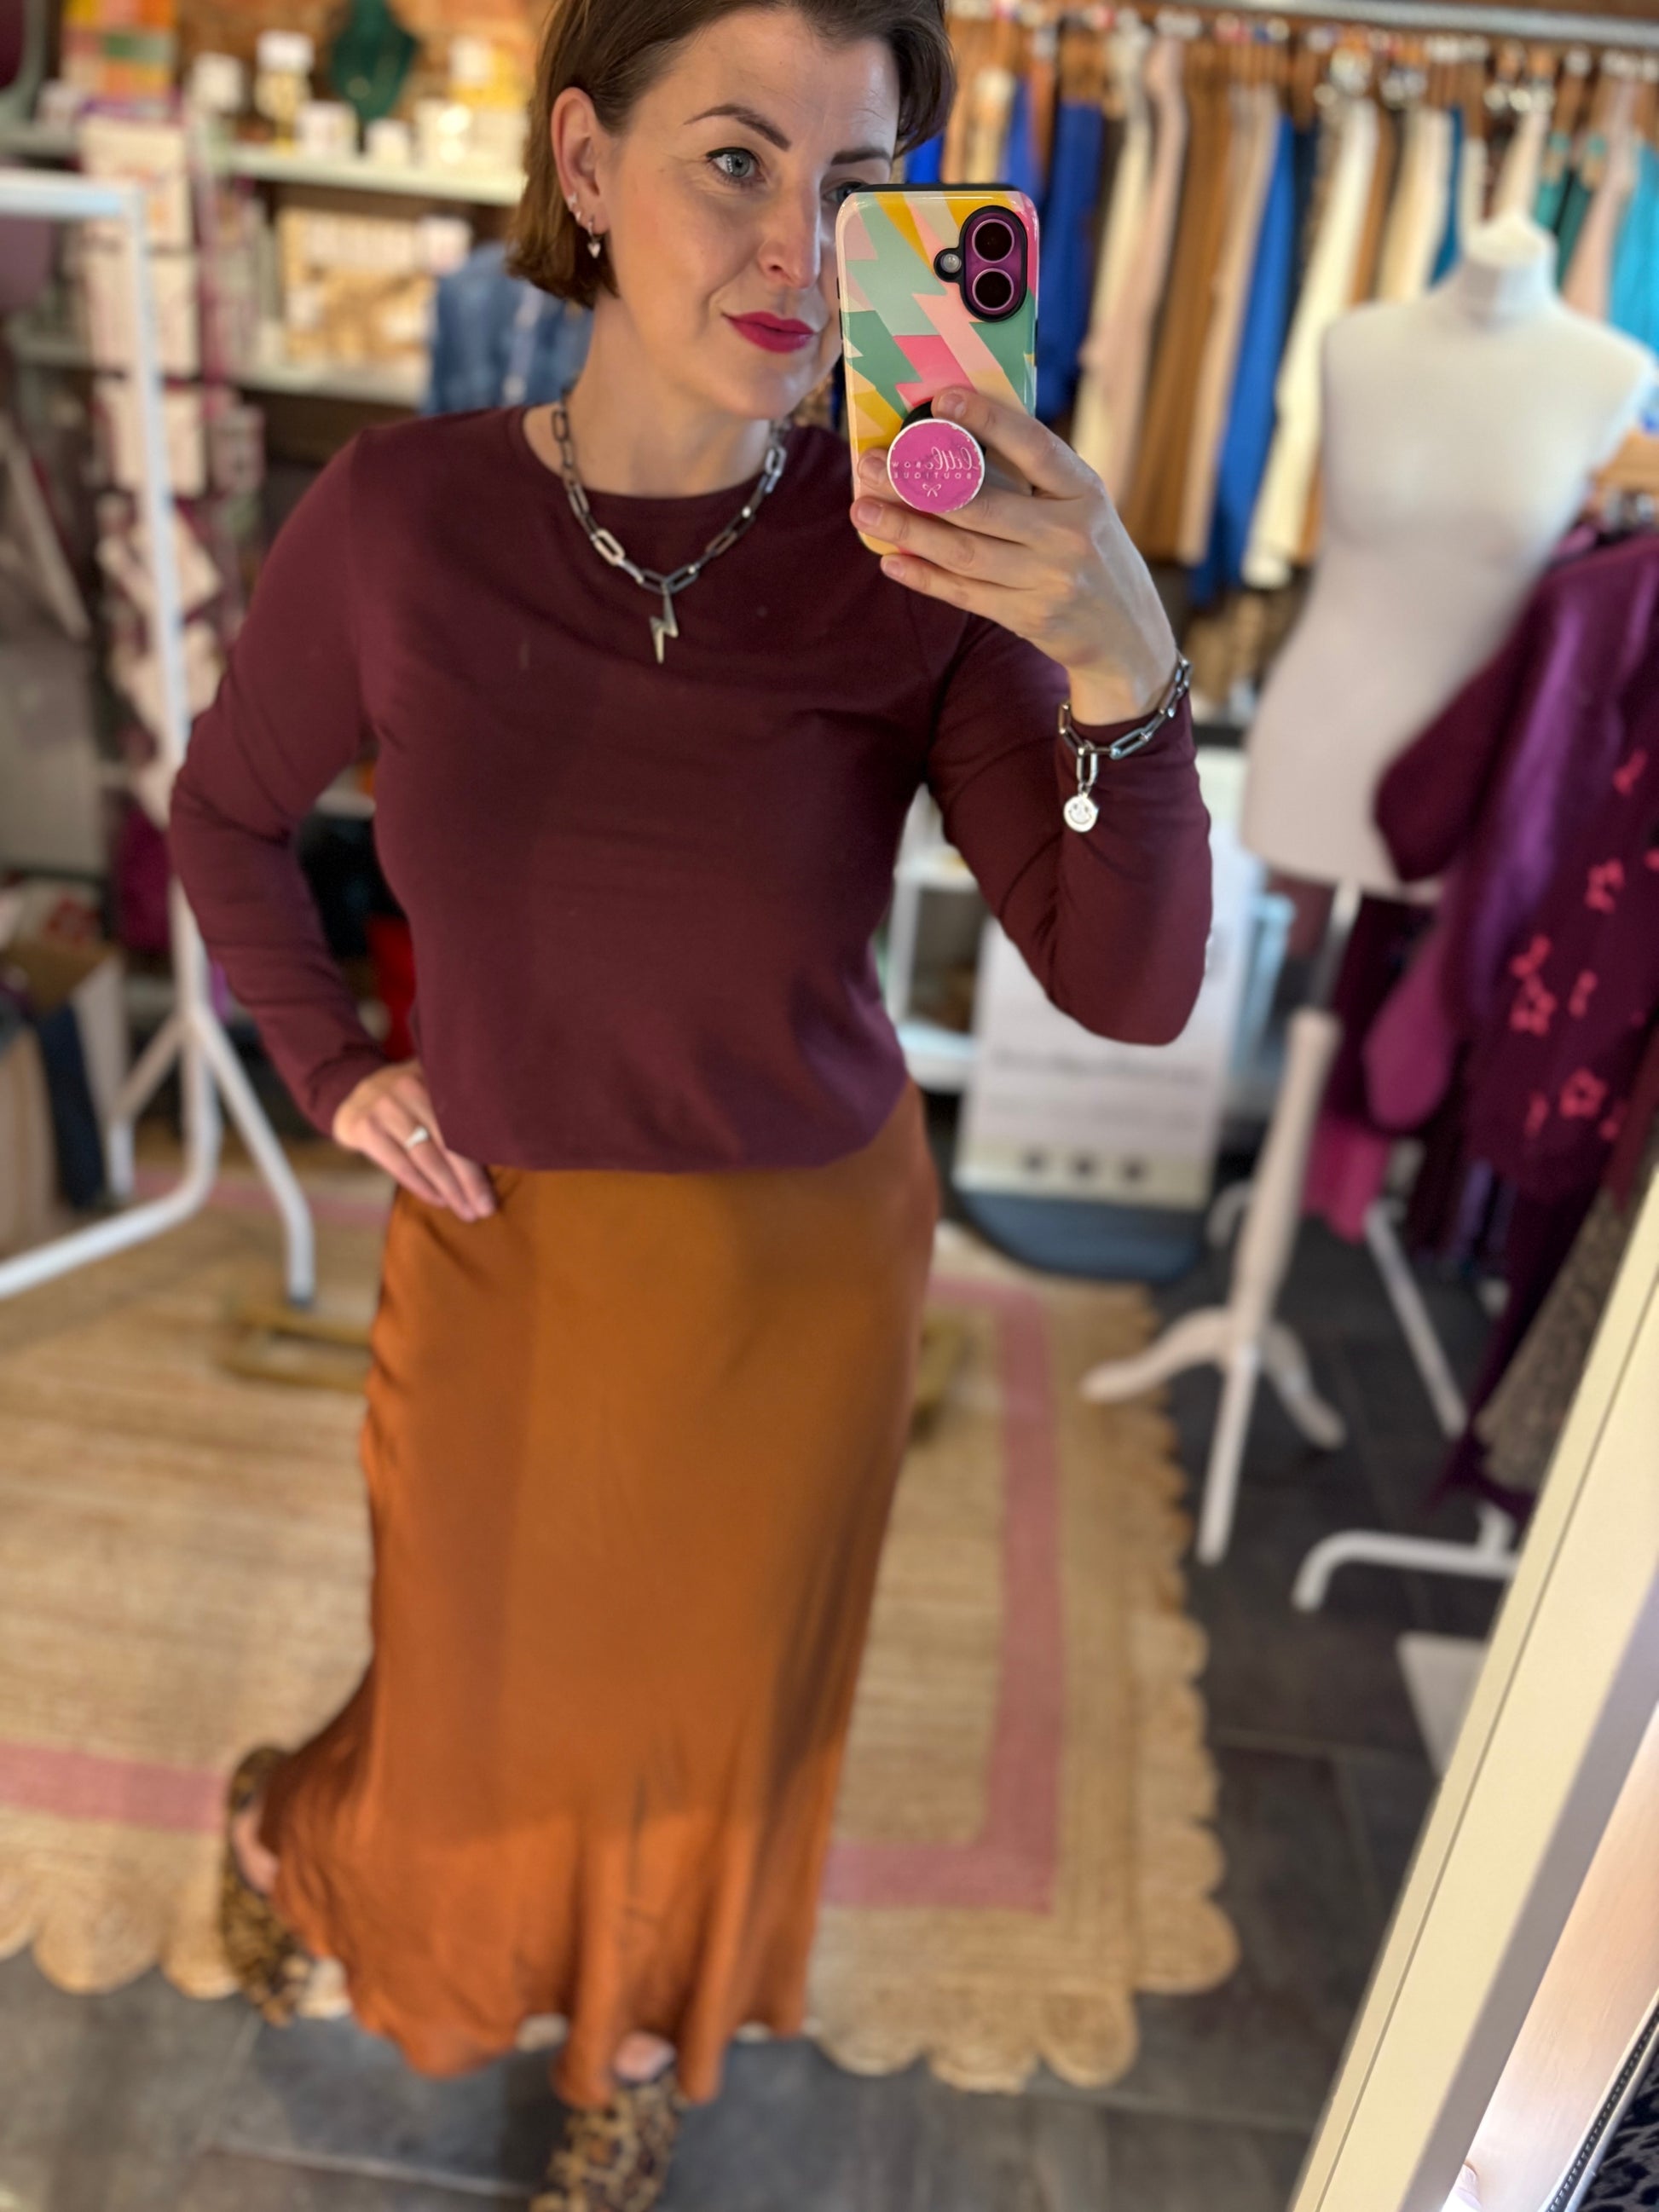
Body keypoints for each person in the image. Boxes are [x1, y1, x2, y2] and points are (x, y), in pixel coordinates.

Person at [167, 0, 1213, 2203]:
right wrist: (334, 1070)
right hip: (511, 1247)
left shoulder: (919, 559)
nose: (799, 251)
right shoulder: (399, 522)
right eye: (734, 159)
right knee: (478, 1695)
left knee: (714, 1718)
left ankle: (630, 2045)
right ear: (583, 161)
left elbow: (1125, 989)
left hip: (800, 1267)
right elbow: (225, 818)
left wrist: (1126, 664)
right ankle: (293, 1828)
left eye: (860, 190)